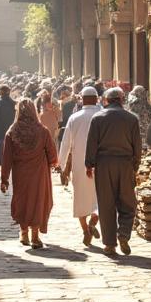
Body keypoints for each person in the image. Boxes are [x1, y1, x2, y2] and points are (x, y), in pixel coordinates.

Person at [85, 87, 142, 256]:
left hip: (104, 165)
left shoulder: (98, 118)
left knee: (106, 204)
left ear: (106, 100)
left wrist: (89, 164)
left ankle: (109, 244)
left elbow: (91, 144)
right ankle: (123, 233)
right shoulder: (131, 119)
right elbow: (137, 146)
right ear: (122, 100)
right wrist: (135, 167)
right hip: (125, 164)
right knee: (128, 203)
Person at [0, 100, 58, 248]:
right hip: (39, 175)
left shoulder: (12, 132)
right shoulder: (42, 131)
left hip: (20, 175)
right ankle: (35, 236)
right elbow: (52, 153)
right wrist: (53, 163)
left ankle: (24, 233)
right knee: (38, 201)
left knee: (23, 201)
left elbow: (6, 158)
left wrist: (4, 179)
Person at [57, 86, 102, 246]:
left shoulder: (74, 118)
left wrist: (60, 165)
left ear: (82, 99)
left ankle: (85, 230)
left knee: (81, 200)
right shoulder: (102, 115)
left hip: (79, 165)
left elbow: (65, 143)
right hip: (100, 164)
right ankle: (93, 223)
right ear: (97, 99)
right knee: (100, 199)